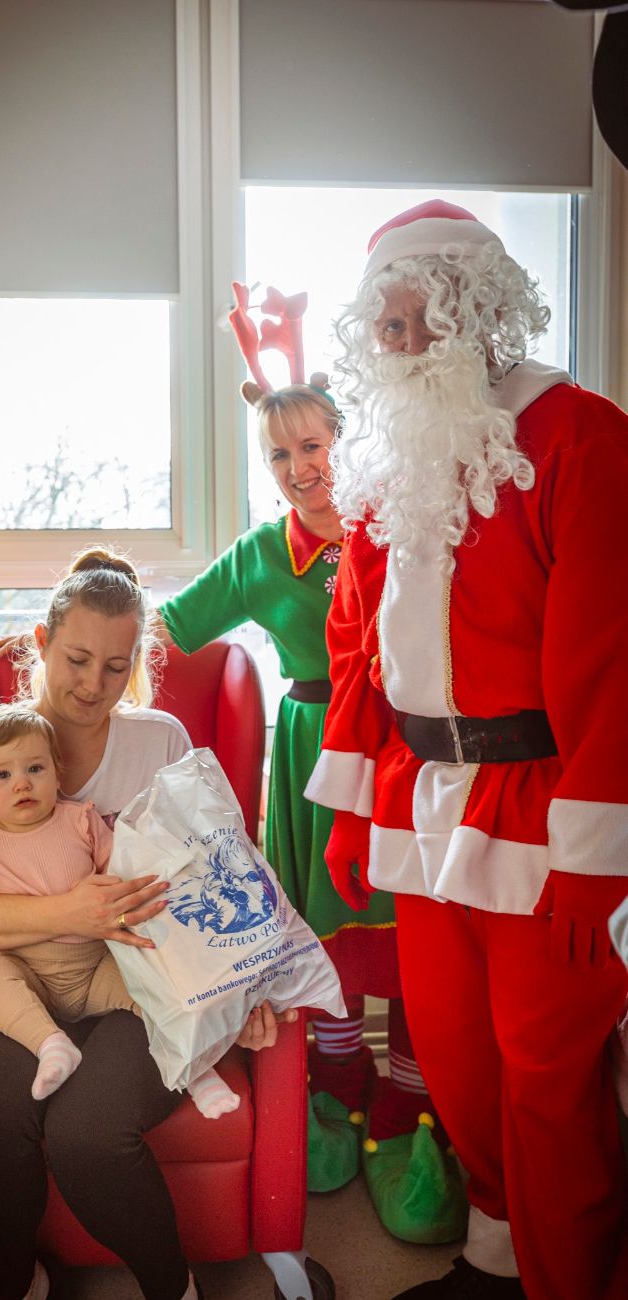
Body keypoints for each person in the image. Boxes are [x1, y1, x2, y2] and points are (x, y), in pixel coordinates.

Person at [306, 200, 628, 1300]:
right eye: (381, 330)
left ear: (475, 311)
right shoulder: (387, 461)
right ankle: (495, 1260)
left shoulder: (579, 434)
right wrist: (353, 805)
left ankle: (570, 1277)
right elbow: (354, 649)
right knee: (452, 1057)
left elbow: (611, 656)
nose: (397, 347)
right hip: (418, 797)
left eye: (416, 322)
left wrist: (599, 853)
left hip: (544, 808)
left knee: (548, 1077)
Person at [156, 287, 466, 1245]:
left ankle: (411, 1105)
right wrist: (64, 653)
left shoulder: (403, 528)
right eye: (279, 455)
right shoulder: (261, 554)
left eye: (314, 447)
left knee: (417, 931)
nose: (299, 470)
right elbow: (165, 632)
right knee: (325, 928)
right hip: (307, 753)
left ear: (348, 440)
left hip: (405, 748)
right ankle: (335, 1082)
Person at [0, 546, 294, 1300]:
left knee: (88, 1135)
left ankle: (172, 1288)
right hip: (30, 983)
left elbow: (221, 870)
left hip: (144, 982)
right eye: (78, 659)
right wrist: (67, 911)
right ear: (40, 643)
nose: (95, 685)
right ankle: (18, 1285)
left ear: (139, 665)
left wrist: (251, 982)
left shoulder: (159, 740)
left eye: (117, 666)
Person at [0, 702, 238, 1116]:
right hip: (31, 973)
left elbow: (124, 870)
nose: (22, 784)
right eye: (3, 775)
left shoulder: (82, 820)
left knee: (156, 987)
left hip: (100, 965)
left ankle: (199, 1072)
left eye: (35, 770)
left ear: (58, 773)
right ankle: (51, 1045)